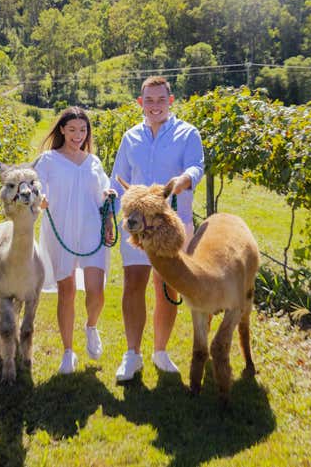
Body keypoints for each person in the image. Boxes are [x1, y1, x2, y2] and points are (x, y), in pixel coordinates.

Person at [110, 76, 204, 382]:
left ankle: (160, 352)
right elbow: (118, 179)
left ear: (170, 100)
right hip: (137, 229)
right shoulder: (130, 137)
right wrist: (110, 214)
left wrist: (184, 180)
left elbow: (196, 166)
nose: (155, 106)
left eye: (160, 99)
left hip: (170, 228)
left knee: (167, 288)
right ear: (140, 103)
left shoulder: (187, 133)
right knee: (132, 284)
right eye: (148, 100)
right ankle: (132, 355)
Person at [34, 106, 116, 374]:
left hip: (91, 230)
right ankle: (68, 352)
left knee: (96, 291)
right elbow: (36, 186)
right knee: (66, 291)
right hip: (61, 230)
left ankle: (91, 326)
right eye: (72, 130)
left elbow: (103, 194)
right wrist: (40, 198)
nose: (78, 135)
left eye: (82, 130)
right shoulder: (48, 160)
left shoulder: (94, 162)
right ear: (62, 130)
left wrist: (109, 218)